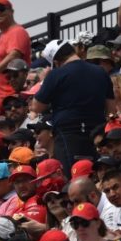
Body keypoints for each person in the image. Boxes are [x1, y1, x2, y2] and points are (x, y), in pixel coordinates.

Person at [34, 39, 115, 171]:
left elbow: (36, 106)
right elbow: (111, 109)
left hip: (68, 133)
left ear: (56, 62)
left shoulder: (56, 74)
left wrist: (45, 81)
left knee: (73, 175)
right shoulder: (100, 72)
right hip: (97, 131)